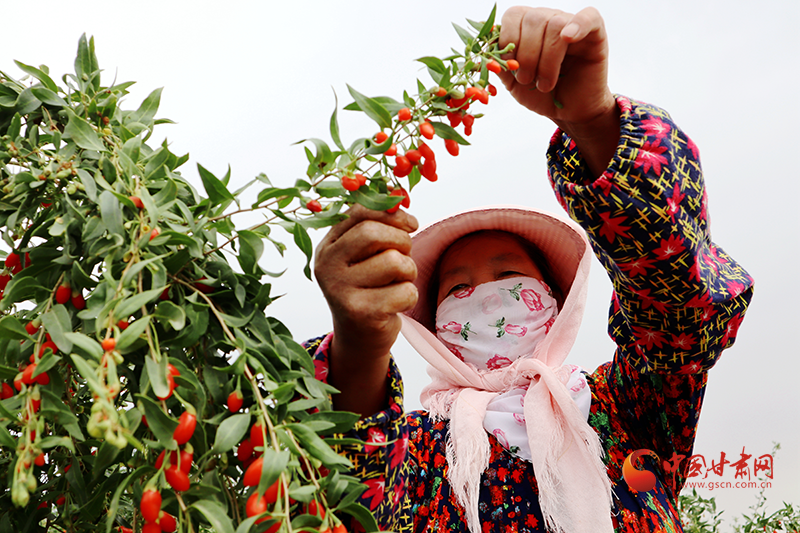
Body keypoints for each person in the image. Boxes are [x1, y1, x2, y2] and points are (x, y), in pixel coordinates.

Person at [308, 6, 753, 533]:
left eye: (508, 276)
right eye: (460, 287)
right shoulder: (418, 454)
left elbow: (678, 305)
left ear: (553, 300)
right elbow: (340, 494)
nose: (489, 299)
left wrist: (594, 123)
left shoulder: (624, 412)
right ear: (429, 325)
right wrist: (358, 348)